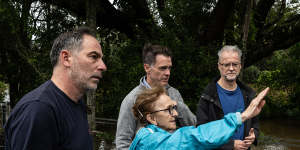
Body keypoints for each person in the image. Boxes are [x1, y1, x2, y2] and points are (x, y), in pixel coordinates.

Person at [4, 27, 107, 150]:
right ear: (66, 58)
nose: (103, 66)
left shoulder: (77, 103)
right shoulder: (38, 110)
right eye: (94, 56)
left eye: (101, 58)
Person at [130, 86, 269, 150]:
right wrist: (242, 116)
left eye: (174, 107)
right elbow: (194, 137)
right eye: (168, 110)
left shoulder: (156, 136)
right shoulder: (149, 142)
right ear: (152, 118)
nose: (176, 114)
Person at [116, 44, 196, 149]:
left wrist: (177, 105)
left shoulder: (174, 93)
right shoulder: (132, 99)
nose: (168, 73)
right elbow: (122, 143)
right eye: (163, 68)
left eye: (169, 68)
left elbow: (192, 126)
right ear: (147, 68)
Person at [196, 45, 259, 150]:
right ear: (219, 66)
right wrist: (230, 145)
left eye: (235, 64)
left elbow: (255, 122)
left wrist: (254, 135)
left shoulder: (248, 94)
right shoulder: (207, 97)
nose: (231, 68)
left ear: (240, 66)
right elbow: (202, 133)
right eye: (226, 65)